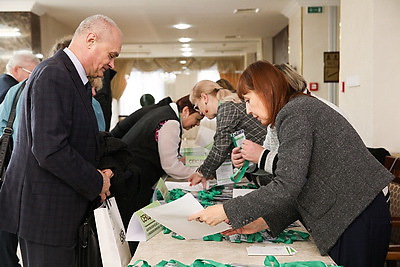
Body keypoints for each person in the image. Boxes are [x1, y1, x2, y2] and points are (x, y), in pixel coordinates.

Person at [188, 60, 394, 267]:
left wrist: (226, 211)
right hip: (352, 213)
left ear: (266, 91)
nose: (248, 110)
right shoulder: (294, 110)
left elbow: (288, 184)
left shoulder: (295, 111)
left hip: (356, 213)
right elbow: (301, 184)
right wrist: (263, 222)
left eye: (249, 100)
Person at [0, 14, 121, 266]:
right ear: (90, 39)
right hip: (45, 215)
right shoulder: (54, 74)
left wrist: (96, 171)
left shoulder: (71, 77)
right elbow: (50, 150)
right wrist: (96, 180)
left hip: (56, 211)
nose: (111, 64)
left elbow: (71, 142)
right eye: (111, 55)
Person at [231, 63, 348, 186]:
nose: (248, 111)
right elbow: (273, 159)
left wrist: (260, 156)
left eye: (248, 101)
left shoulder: (298, 111)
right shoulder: (284, 114)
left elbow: (294, 169)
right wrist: (250, 162)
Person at [187, 80, 267, 188]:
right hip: (261, 165)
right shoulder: (231, 105)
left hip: (266, 167)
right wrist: (211, 172)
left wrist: (201, 173)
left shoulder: (227, 108)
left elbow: (220, 148)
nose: (200, 112)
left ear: (204, 98)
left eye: (197, 106)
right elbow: (226, 147)